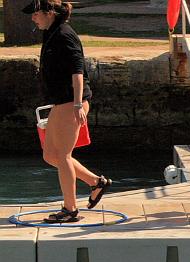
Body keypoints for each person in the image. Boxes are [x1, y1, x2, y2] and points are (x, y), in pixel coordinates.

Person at [24, 0, 111, 223]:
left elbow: (77, 71)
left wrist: (76, 104)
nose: (33, 18)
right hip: (59, 102)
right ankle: (96, 182)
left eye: (36, 14)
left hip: (71, 102)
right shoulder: (51, 32)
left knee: (62, 156)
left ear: (49, 13)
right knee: (50, 155)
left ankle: (70, 210)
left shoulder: (64, 34)